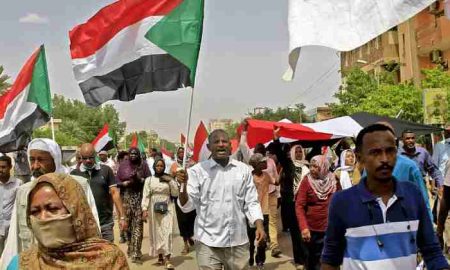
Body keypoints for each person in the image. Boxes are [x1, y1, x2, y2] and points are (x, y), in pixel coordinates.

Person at [321, 124, 448, 270]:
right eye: (375, 152)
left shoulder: (412, 195)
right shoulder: (343, 202)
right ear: (360, 158)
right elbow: (331, 259)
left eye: (390, 151)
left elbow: (432, 251)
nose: (384, 159)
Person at [0, 138, 100, 269]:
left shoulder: (78, 186)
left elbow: (92, 227)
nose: (35, 166)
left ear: (55, 159)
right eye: (32, 160)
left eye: (41, 160)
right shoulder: (23, 192)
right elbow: (15, 238)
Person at [176, 129, 265, 270]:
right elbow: (187, 206)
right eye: (216, 141)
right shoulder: (197, 171)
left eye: (224, 141)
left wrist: (259, 225)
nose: (221, 144)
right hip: (207, 242)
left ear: (231, 146)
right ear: (208, 147)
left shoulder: (243, 170)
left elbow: (251, 202)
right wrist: (183, 185)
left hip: (238, 241)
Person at [6, 173, 128, 269]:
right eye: (34, 211)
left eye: (52, 209)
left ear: (76, 211)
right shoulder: (20, 264)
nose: (42, 218)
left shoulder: (111, 259)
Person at [239, 121, 282, 257]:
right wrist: (244, 131)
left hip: (271, 195)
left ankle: (274, 245)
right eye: (259, 151)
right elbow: (242, 145)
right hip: (256, 200)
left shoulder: (270, 162)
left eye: (264, 151)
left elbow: (275, 178)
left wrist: (279, 193)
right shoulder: (251, 161)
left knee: (272, 221)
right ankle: (253, 249)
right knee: (257, 224)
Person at [71, 143, 127, 242]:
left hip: (105, 222)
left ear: (96, 155)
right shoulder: (74, 174)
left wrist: (122, 217)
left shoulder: (106, 171)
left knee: (108, 254)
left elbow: (114, 193)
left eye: (91, 157)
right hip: (86, 225)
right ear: (80, 157)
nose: (88, 160)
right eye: (85, 158)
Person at [271, 129, 308, 269]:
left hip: (305, 205)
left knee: (305, 231)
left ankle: (307, 258)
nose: (298, 153)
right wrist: (276, 139)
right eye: (296, 151)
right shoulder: (288, 165)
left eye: (300, 151)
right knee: (296, 233)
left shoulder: (307, 166)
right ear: (292, 153)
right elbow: (280, 154)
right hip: (292, 204)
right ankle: (299, 260)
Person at [295, 155, 339, 270]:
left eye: (316, 166)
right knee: (313, 263)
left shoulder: (334, 180)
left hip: (330, 229)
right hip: (311, 231)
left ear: (324, 167)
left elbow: (341, 201)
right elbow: (299, 205)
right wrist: (304, 227)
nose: (312, 169)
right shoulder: (307, 181)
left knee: (330, 262)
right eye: (311, 166)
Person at [142, 158, 178, 270]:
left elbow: (175, 193)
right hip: (154, 208)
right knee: (156, 232)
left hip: (167, 207)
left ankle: (168, 259)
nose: (159, 168)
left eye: (161, 166)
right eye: (157, 165)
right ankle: (160, 256)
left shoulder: (168, 179)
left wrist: (171, 181)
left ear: (164, 167)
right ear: (154, 167)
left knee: (167, 232)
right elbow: (146, 195)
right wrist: (144, 209)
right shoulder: (149, 180)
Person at [116, 147, 151, 263]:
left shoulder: (144, 165)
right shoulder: (123, 165)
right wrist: (123, 183)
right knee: (129, 227)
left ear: (139, 155)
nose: (133, 155)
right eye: (131, 153)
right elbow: (116, 182)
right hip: (126, 199)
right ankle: (131, 246)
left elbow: (149, 180)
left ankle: (137, 253)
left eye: (135, 153)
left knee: (138, 226)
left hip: (139, 198)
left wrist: (140, 179)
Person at [248, 153, 277, 269]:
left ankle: (260, 261)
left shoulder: (266, 175)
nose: (266, 163)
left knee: (262, 240)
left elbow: (276, 182)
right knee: (250, 240)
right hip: (251, 213)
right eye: (263, 162)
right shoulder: (249, 177)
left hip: (264, 212)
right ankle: (250, 258)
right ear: (256, 165)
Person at [170, 147, 196, 255]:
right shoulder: (174, 165)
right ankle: (185, 243)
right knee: (182, 221)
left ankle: (190, 236)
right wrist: (176, 174)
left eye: (183, 152)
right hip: (179, 196)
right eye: (179, 152)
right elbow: (170, 177)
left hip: (191, 195)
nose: (181, 153)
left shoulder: (192, 163)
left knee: (191, 219)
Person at [0, 156, 21, 256]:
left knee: (10, 255)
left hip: (11, 227)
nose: (1, 170)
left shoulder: (18, 184)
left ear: (10, 167)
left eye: (3, 167)